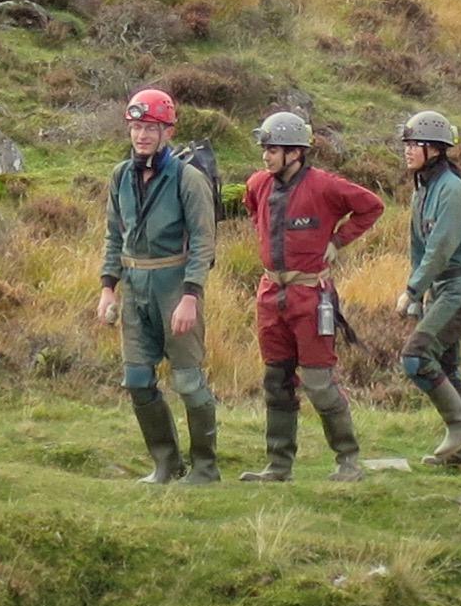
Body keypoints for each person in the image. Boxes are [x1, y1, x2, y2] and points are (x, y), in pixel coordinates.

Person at [239, 109, 383, 483]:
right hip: (271, 295)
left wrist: (338, 240)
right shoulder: (258, 184)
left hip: (310, 296)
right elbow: (252, 208)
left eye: (273, 150)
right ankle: (278, 466)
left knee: (319, 383)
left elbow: (371, 206)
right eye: (265, 149)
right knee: (276, 381)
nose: (265, 156)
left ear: (295, 152)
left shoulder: (325, 186)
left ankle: (348, 460)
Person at [97, 86, 222, 485]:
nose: (142, 135)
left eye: (151, 127)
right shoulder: (120, 175)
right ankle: (166, 464)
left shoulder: (189, 179)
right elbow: (113, 235)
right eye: (136, 127)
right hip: (134, 288)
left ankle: (205, 467)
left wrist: (191, 296)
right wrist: (108, 287)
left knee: (188, 381)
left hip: (175, 285)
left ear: (168, 131)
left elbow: (203, 242)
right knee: (137, 379)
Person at [392, 110, 461, 469]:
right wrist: (419, 297)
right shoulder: (422, 190)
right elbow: (418, 248)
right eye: (406, 143)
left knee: (416, 356)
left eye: (414, 144)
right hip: (442, 288)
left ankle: (460, 425)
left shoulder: (453, 191)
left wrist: (411, 290)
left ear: (434, 148)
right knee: (447, 367)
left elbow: (441, 248)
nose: (407, 150)